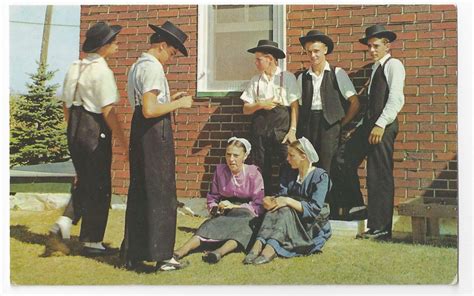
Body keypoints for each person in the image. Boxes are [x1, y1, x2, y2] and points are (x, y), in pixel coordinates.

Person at [48, 21, 128, 256]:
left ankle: (66, 223)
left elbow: (65, 104)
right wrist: (122, 142)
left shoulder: (75, 67)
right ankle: (91, 240)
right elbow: (108, 111)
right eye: (113, 41)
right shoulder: (102, 71)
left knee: (86, 181)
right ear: (103, 46)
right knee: (101, 184)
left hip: (74, 128)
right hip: (94, 129)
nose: (117, 45)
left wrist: (73, 128)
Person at [120, 21, 193, 271]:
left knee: (141, 190)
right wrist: (179, 105)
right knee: (162, 191)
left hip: (140, 130)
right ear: (162, 45)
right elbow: (151, 110)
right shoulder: (153, 68)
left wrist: (168, 99)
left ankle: (133, 252)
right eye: (172, 53)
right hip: (155, 133)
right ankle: (163, 256)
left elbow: (144, 105)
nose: (171, 59)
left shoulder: (136, 66)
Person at [341, 24, 405, 240]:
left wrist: (381, 124)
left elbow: (396, 99)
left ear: (387, 45)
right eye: (369, 46)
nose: (372, 50)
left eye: (376, 46)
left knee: (380, 175)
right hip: (370, 127)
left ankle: (381, 228)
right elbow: (371, 105)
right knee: (343, 158)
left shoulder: (394, 65)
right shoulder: (376, 68)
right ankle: (358, 207)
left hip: (383, 128)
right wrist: (359, 128)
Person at [173, 137, 264, 264]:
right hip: (225, 211)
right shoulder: (220, 170)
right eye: (228, 154)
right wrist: (215, 208)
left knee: (244, 228)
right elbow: (212, 197)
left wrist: (234, 207)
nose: (231, 159)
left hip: (246, 213)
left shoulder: (254, 173)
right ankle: (180, 251)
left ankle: (218, 252)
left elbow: (258, 205)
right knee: (208, 225)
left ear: (245, 156)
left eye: (236, 155)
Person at [243, 138, 331, 265]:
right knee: (276, 208)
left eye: (291, 155)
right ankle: (259, 242)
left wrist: (287, 201)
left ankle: (271, 247)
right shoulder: (289, 171)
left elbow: (314, 209)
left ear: (303, 156)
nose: (288, 159)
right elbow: (281, 195)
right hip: (289, 214)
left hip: (310, 222)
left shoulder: (320, 176)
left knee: (285, 210)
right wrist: (270, 200)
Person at [241, 40, 300, 195]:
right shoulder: (255, 81)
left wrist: (292, 130)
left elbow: (294, 106)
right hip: (260, 128)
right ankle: (262, 199)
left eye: (258, 59)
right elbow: (246, 109)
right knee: (261, 163)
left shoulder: (287, 77)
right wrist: (261, 104)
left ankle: (286, 197)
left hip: (281, 126)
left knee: (287, 161)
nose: (256, 63)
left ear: (271, 59)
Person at [296, 30, 360, 174]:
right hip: (309, 126)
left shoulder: (337, 73)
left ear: (325, 50)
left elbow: (355, 103)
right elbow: (299, 107)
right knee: (309, 164)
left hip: (330, 126)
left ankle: (328, 197)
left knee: (328, 165)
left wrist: (340, 123)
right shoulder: (302, 78)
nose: (313, 55)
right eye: (309, 52)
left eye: (316, 51)